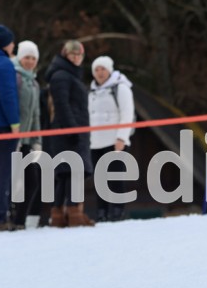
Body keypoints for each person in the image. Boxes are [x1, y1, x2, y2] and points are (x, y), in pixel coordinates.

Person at [45, 40, 94, 227]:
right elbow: (62, 105)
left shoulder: (70, 75)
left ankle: (59, 215)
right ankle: (74, 213)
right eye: (72, 54)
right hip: (68, 130)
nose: (76, 57)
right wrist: (72, 129)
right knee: (73, 171)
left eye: (79, 55)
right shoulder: (62, 76)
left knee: (66, 173)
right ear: (65, 55)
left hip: (72, 129)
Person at [88, 55, 134, 221]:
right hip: (96, 142)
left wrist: (122, 137)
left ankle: (117, 210)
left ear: (110, 70)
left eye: (103, 69)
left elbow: (127, 113)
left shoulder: (120, 88)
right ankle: (102, 211)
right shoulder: (92, 92)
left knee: (115, 176)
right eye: (97, 70)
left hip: (115, 141)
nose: (100, 73)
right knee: (100, 178)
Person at [11, 40, 43, 230]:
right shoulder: (15, 78)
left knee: (32, 181)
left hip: (26, 142)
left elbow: (36, 114)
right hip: (12, 138)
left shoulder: (34, 83)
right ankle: (5, 217)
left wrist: (36, 140)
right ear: (20, 58)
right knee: (10, 181)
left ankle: (19, 221)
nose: (30, 61)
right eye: (26, 57)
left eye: (33, 58)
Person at [0, 24, 20, 231]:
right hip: (1, 126)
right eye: (12, 42)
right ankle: (0, 217)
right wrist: (15, 124)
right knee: (1, 173)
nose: (13, 46)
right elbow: (8, 96)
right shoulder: (4, 64)